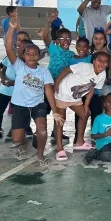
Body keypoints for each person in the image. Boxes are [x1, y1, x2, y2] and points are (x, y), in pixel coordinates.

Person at [5, 17, 61, 163]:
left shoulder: (43, 72)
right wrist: (11, 28)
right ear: (23, 56)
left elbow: (48, 91)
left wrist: (54, 111)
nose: (31, 56)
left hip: (37, 105)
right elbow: (7, 47)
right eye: (28, 53)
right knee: (17, 139)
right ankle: (23, 143)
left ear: (39, 56)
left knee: (42, 130)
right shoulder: (19, 66)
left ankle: (40, 154)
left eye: (34, 54)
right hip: (19, 105)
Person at [53, 53, 110, 160]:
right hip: (63, 93)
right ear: (93, 61)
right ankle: (59, 148)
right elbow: (66, 70)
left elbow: (92, 89)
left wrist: (86, 105)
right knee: (60, 121)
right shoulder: (84, 66)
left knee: (85, 114)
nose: (102, 63)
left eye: (105, 61)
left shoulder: (102, 75)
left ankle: (79, 142)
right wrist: (56, 83)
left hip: (75, 98)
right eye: (99, 60)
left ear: (107, 64)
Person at [0, 39, 33, 143]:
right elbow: (4, 68)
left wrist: (14, 83)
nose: (20, 49)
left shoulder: (28, 62)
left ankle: (16, 130)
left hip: (18, 92)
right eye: (18, 46)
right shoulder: (9, 58)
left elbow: (28, 79)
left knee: (18, 113)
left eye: (23, 47)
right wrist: (2, 78)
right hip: (5, 90)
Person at [42, 13, 74, 141]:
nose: (65, 41)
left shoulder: (72, 55)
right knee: (45, 110)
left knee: (61, 111)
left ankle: (57, 132)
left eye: (68, 39)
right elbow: (44, 36)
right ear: (57, 41)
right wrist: (49, 22)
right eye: (62, 39)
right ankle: (41, 131)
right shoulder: (53, 49)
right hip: (49, 85)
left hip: (62, 87)